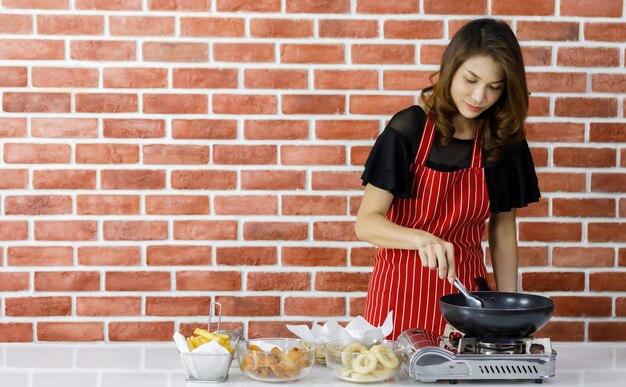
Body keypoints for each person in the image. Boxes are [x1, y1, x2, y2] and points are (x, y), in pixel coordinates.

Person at [355, 18, 540, 339]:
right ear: (451, 68)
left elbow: (503, 231)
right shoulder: (409, 128)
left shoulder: (503, 140)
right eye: (471, 80)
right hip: (399, 293)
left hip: (467, 299)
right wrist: (420, 238)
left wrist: (510, 311)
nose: (479, 96)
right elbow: (366, 223)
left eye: (494, 87)